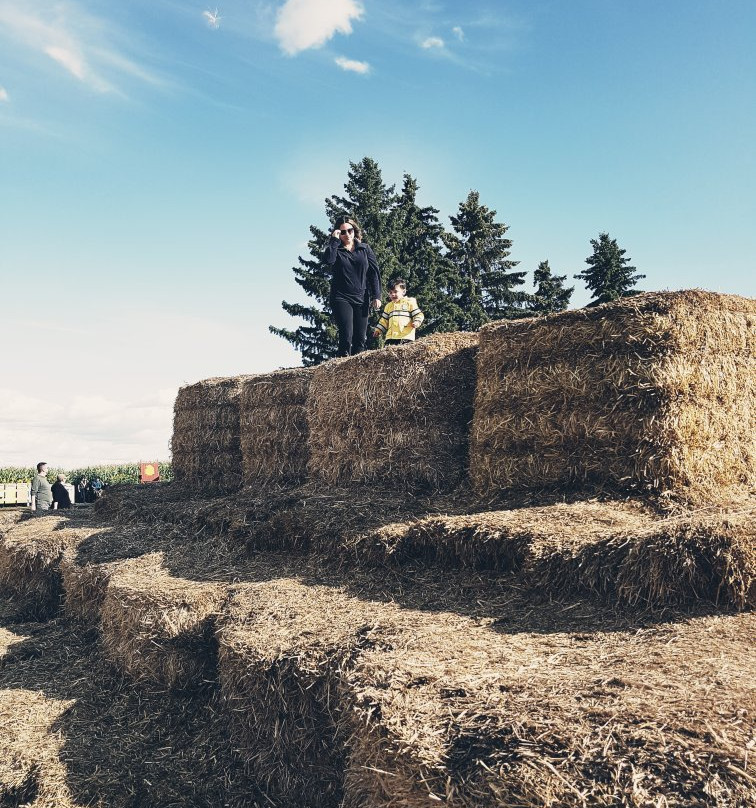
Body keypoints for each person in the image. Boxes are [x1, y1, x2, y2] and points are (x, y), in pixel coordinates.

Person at [324, 216, 382, 357]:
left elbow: (374, 273)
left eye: (350, 230)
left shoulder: (365, 249)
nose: (347, 234)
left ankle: (357, 371)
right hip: (341, 298)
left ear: (354, 230)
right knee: (346, 335)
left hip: (362, 298)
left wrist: (377, 295)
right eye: (343, 232)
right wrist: (334, 240)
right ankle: (342, 370)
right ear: (338, 233)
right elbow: (328, 260)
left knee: (360, 339)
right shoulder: (336, 249)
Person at [373, 278, 425, 345]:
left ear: (403, 291)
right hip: (391, 337)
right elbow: (384, 320)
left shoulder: (409, 302)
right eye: (390, 292)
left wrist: (417, 321)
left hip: (405, 336)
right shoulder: (388, 306)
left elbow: (418, 314)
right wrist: (378, 330)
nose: (393, 294)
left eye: (395, 291)